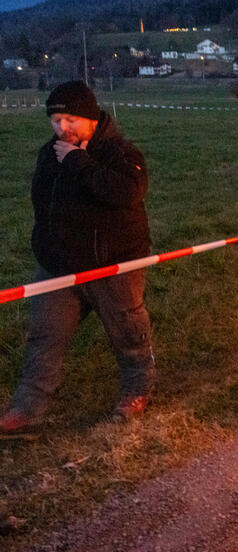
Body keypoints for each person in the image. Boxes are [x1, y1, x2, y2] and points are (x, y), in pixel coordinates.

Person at [0, 81, 155, 437]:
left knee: (128, 332)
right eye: (56, 120)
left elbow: (129, 193)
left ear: (90, 118)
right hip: (59, 268)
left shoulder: (121, 154)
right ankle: (27, 411)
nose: (63, 128)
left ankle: (137, 389)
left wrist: (79, 163)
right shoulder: (49, 154)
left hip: (113, 264)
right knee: (45, 335)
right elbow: (43, 202)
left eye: (71, 119)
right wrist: (46, 245)